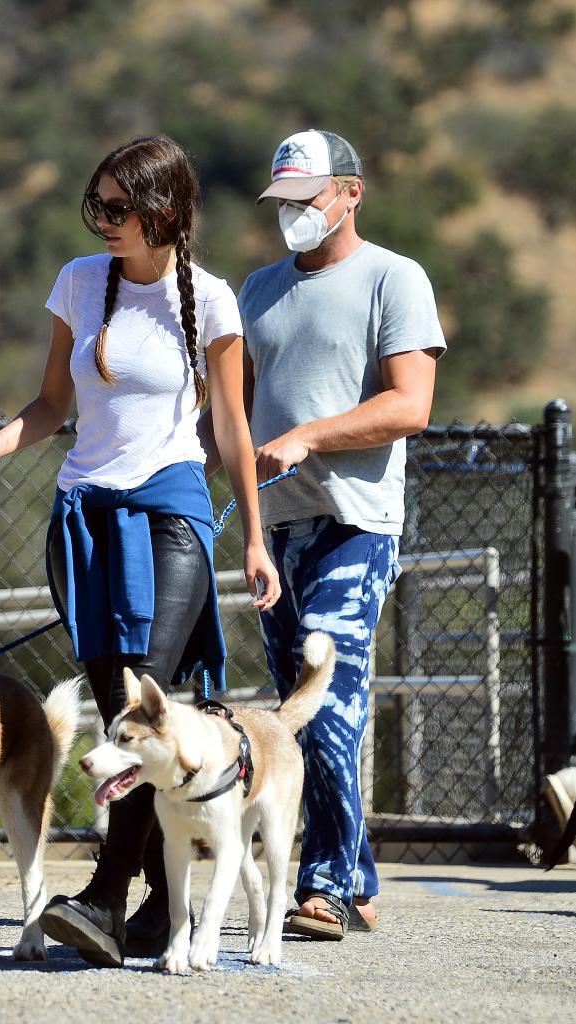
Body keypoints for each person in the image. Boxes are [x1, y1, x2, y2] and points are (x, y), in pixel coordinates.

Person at [0, 135, 280, 967]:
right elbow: (53, 401)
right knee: (116, 711)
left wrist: (249, 535)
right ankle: (162, 904)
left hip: (170, 513)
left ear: (162, 211)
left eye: (116, 207)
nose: (101, 220)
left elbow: (233, 428)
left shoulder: (210, 302)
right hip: (82, 519)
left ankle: (103, 896)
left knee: (147, 699)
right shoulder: (78, 281)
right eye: (94, 205)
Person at [205, 128, 446, 939]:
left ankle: (324, 881)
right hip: (271, 528)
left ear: (349, 193)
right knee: (295, 711)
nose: (292, 217)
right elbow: (229, 414)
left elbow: (410, 405)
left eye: (306, 200)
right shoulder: (256, 290)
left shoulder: (393, 278)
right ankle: (359, 871)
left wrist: (310, 434)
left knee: (329, 696)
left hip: (353, 524)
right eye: (282, 204)